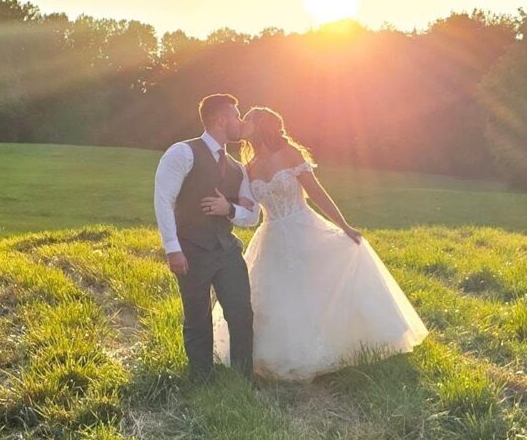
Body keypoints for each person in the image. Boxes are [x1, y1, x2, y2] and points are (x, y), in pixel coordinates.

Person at [205, 106, 427, 381]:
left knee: (315, 287)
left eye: (247, 118)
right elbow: (250, 212)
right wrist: (228, 207)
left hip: (304, 227)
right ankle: (281, 355)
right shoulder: (248, 168)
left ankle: (332, 344)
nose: (242, 122)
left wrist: (344, 225)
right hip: (272, 238)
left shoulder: (289, 154)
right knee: (279, 296)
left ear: (261, 124)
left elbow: (317, 193)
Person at [153, 93, 259, 382]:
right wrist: (172, 248)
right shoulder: (182, 153)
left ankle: (243, 379)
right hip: (191, 251)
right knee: (198, 318)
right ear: (221, 120)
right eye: (236, 116)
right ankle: (201, 380)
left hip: (227, 251)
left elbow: (253, 216)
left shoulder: (238, 169)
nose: (240, 122)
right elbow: (163, 200)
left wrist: (230, 209)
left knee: (241, 314)